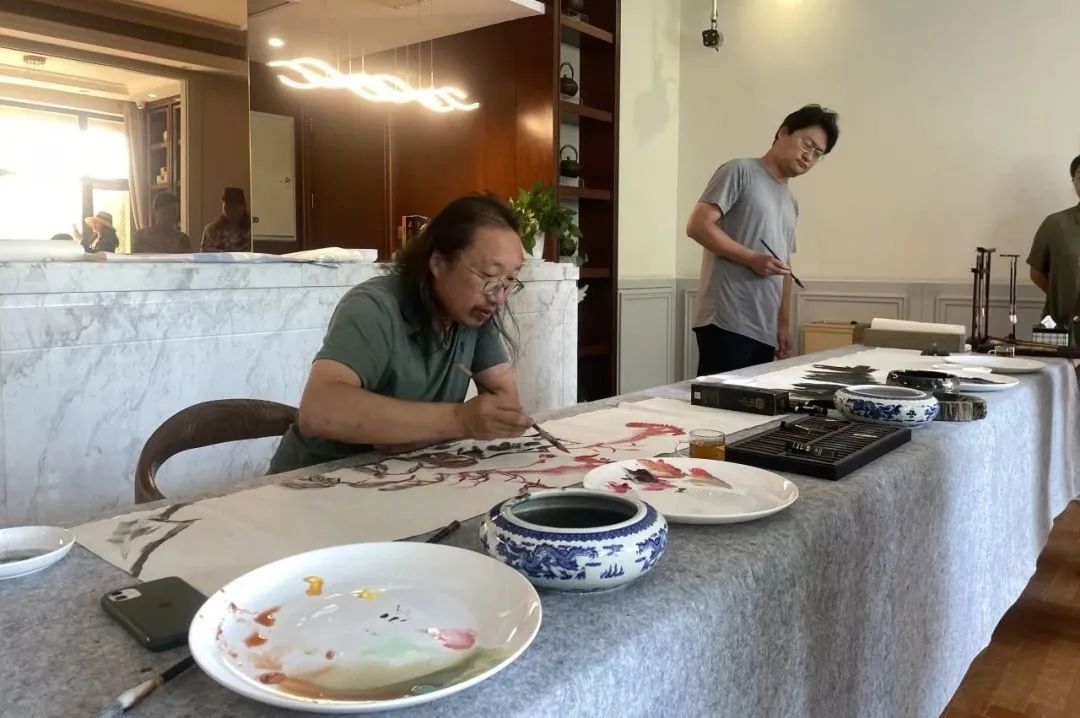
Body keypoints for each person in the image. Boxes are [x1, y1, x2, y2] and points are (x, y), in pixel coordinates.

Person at [268, 193, 533, 474]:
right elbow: (320, 410)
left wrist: (419, 429)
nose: (498, 296)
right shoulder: (374, 307)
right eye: (489, 276)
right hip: (316, 478)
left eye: (509, 280)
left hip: (397, 475)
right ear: (439, 263)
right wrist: (460, 420)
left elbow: (505, 404)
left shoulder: (474, 314)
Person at [685, 104, 840, 375]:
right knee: (719, 402)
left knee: (753, 403)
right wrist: (752, 258)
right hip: (727, 320)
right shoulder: (739, 170)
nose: (809, 156)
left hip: (764, 328)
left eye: (818, 153)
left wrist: (783, 324)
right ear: (783, 132)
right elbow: (698, 226)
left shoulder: (791, 201)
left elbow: (785, 265)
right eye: (807, 144)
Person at [1027, 154, 1080, 339]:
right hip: (1062, 326)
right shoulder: (1055, 224)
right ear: (1074, 181)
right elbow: (1036, 273)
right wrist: (1061, 295)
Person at [201, 187, 252, 253]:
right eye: (228, 204)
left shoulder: (251, 232)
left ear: (243, 207)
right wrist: (225, 252)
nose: (232, 209)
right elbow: (204, 252)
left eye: (235, 205)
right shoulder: (211, 230)